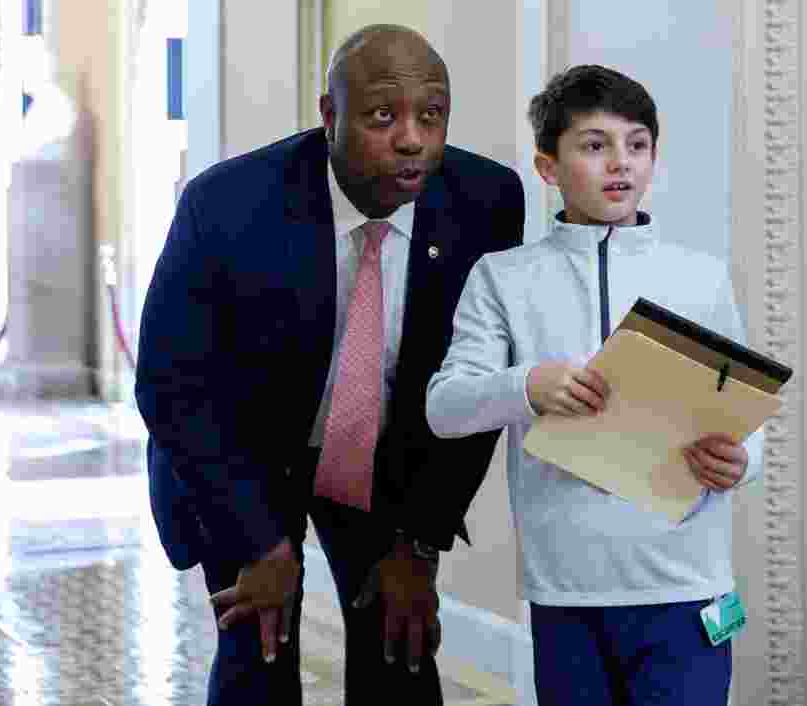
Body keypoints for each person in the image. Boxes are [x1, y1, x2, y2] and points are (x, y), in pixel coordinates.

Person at [135, 24, 525, 706]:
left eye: (431, 116)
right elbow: (173, 384)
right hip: (245, 453)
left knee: (400, 646)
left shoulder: (484, 203)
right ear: (328, 117)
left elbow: (478, 382)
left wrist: (419, 543)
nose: (412, 138)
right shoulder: (228, 205)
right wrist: (260, 542)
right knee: (258, 645)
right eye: (382, 115)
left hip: (383, 453)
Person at [426, 64, 763, 705]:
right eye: (595, 144)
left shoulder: (702, 277)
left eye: (638, 144)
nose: (621, 163)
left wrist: (743, 462)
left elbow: (746, 413)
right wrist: (527, 386)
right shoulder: (502, 278)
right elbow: (444, 407)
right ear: (548, 167)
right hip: (565, 591)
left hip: (688, 586)